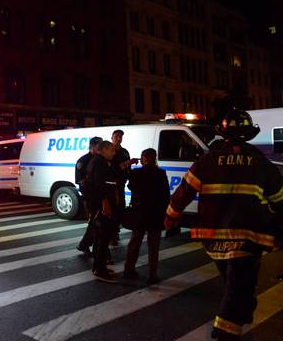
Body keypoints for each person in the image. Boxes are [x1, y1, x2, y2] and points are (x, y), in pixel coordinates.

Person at [165, 108, 283, 340]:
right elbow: (280, 200)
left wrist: (171, 215)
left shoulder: (206, 161)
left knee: (236, 284)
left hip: (213, 238)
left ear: (223, 133)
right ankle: (225, 331)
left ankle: (242, 313)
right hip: (248, 237)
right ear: (249, 134)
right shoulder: (261, 163)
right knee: (238, 287)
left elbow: (183, 192)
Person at [123, 148, 170, 285]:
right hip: (155, 213)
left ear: (144, 158)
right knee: (153, 245)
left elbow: (131, 186)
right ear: (154, 158)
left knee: (135, 242)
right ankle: (152, 274)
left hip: (139, 211)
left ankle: (129, 270)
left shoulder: (137, 172)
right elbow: (166, 194)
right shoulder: (161, 173)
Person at [84, 140, 119, 283]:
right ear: (103, 149)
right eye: (111, 150)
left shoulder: (99, 161)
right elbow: (99, 184)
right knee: (102, 238)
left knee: (101, 238)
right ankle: (100, 270)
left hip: (99, 204)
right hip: (100, 206)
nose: (114, 152)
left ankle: (98, 266)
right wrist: (105, 202)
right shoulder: (99, 162)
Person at [110, 129, 138, 246]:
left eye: (120, 137)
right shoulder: (109, 151)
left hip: (121, 184)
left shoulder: (124, 152)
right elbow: (113, 169)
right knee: (112, 209)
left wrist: (131, 178)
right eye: (116, 136)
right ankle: (111, 235)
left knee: (120, 208)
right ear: (112, 137)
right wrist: (128, 163)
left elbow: (128, 170)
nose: (118, 138)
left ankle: (115, 231)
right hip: (111, 185)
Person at [75, 136, 103, 255]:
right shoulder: (83, 160)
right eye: (99, 146)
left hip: (99, 196)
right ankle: (86, 245)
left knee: (95, 223)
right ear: (92, 147)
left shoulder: (99, 159)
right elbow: (80, 180)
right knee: (94, 223)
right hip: (90, 197)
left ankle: (85, 245)